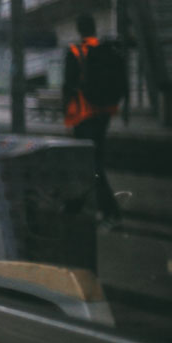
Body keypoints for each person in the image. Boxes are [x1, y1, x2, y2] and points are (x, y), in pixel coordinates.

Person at [63, 13, 122, 222]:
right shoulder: (107, 50)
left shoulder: (75, 51)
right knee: (92, 160)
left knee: (88, 162)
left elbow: (68, 87)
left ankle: (108, 209)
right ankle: (81, 205)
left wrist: (67, 119)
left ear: (79, 29)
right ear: (94, 28)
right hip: (104, 113)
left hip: (83, 115)